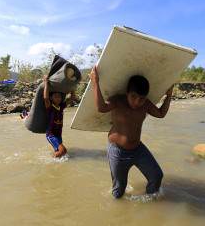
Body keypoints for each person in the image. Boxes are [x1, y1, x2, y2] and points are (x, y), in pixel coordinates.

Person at [90, 65, 173, 198]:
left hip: (138, 149)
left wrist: (169, 96)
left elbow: (161, 113)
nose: (137, 102)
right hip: (118, 152)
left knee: (157, 176)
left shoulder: (145, 104)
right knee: (118, 191)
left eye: (141, 98)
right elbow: (101, 107)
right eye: (133, 96)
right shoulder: (118, 101)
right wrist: (95, 82)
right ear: (127, 93)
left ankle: (151, 202)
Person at [43, 75, 76, 157]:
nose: (58, 98)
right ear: (51, 98)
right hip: (51, 135)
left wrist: (72, 89)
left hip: (58, 134)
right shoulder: (50, 107)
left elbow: (72, 98)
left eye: (60, 97)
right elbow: (46, 98)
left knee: (64, 151)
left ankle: (54, 160)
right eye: (56, 97)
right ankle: (50, 162)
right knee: (61, 151)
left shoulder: (61, 107)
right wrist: (46, 83)